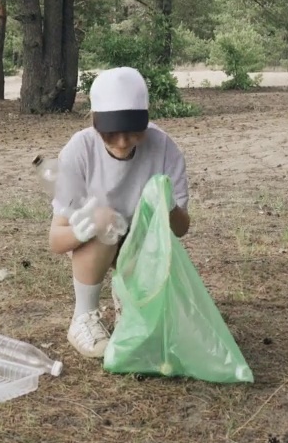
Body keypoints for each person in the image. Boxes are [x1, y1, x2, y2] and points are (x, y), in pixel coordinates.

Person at [48, 67, 191, 358]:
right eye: (112, 133)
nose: (123, 142)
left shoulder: (164, 148)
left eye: (133, 131)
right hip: (100, 243)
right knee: (105, 222)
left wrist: (169, 206)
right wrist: (84, 227)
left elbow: (180, 229)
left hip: (144, 244)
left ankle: (132, 304)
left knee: (161, 334)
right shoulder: (80, 150)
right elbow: (55, 240)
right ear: (94, 122)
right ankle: (84, 317)